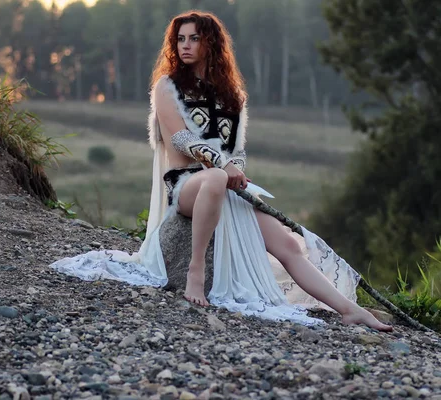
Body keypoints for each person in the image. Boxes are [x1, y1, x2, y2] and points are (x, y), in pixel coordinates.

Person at [50, 10, 392, 332]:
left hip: (226, 185)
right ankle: (195, 271)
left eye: (193, 39)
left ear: (210, 44)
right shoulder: (167, 87)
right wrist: (223, 166)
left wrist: (236, 170)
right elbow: (182, 138)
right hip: (185, 186)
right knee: (213, 176)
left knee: (287, 242)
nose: (184, 45)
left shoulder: (233, 96)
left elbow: (237, 153)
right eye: (180, 39)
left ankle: (350, 309)